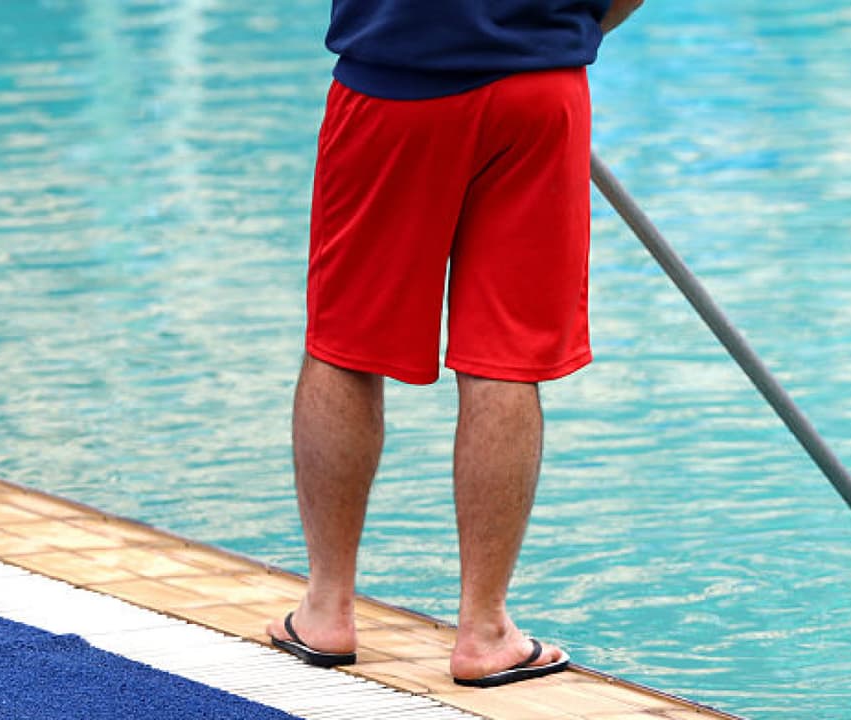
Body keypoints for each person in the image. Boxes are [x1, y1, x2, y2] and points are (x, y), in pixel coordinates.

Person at [267, 0, 643, 688]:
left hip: (391, 85)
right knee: (505, 357)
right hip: (538, 89)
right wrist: (559, 39)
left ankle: (325, 610)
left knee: (345, 346)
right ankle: (485, 631)